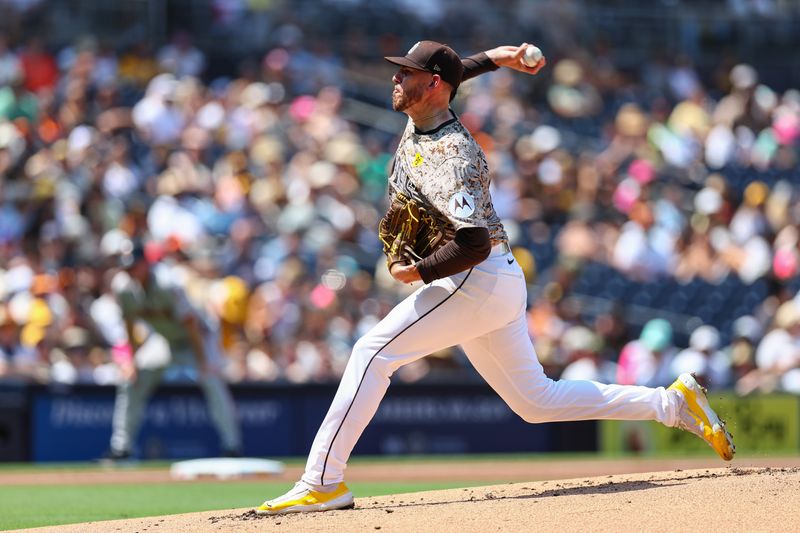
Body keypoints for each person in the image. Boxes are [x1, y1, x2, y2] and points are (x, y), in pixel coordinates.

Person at [256, 41, 735, 515]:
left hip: (475, 276)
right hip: (497, 280)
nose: (396, 79)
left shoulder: (451, 153)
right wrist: (498, 58)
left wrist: (417, 271)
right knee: (536, 400)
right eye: (398, 71)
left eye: (407, 73)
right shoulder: (425, 109)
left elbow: (473, 242)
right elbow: (458, 70)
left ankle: (322, 481)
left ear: (433, 86)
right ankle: (672, 404)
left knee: (372, 353)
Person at [101, 242, 241, 460]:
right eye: (127, 268)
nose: (131, 272)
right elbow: (129, 323)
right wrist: (132, 360)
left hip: (198, 339)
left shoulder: (167, 282)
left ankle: (232, 446)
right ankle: (121, 447)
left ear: (146, 263)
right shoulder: (123, 286)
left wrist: (203, 362)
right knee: (130, 381)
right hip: (165, 341)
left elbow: (191, 324)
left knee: (212, 382)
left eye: (135, 266)